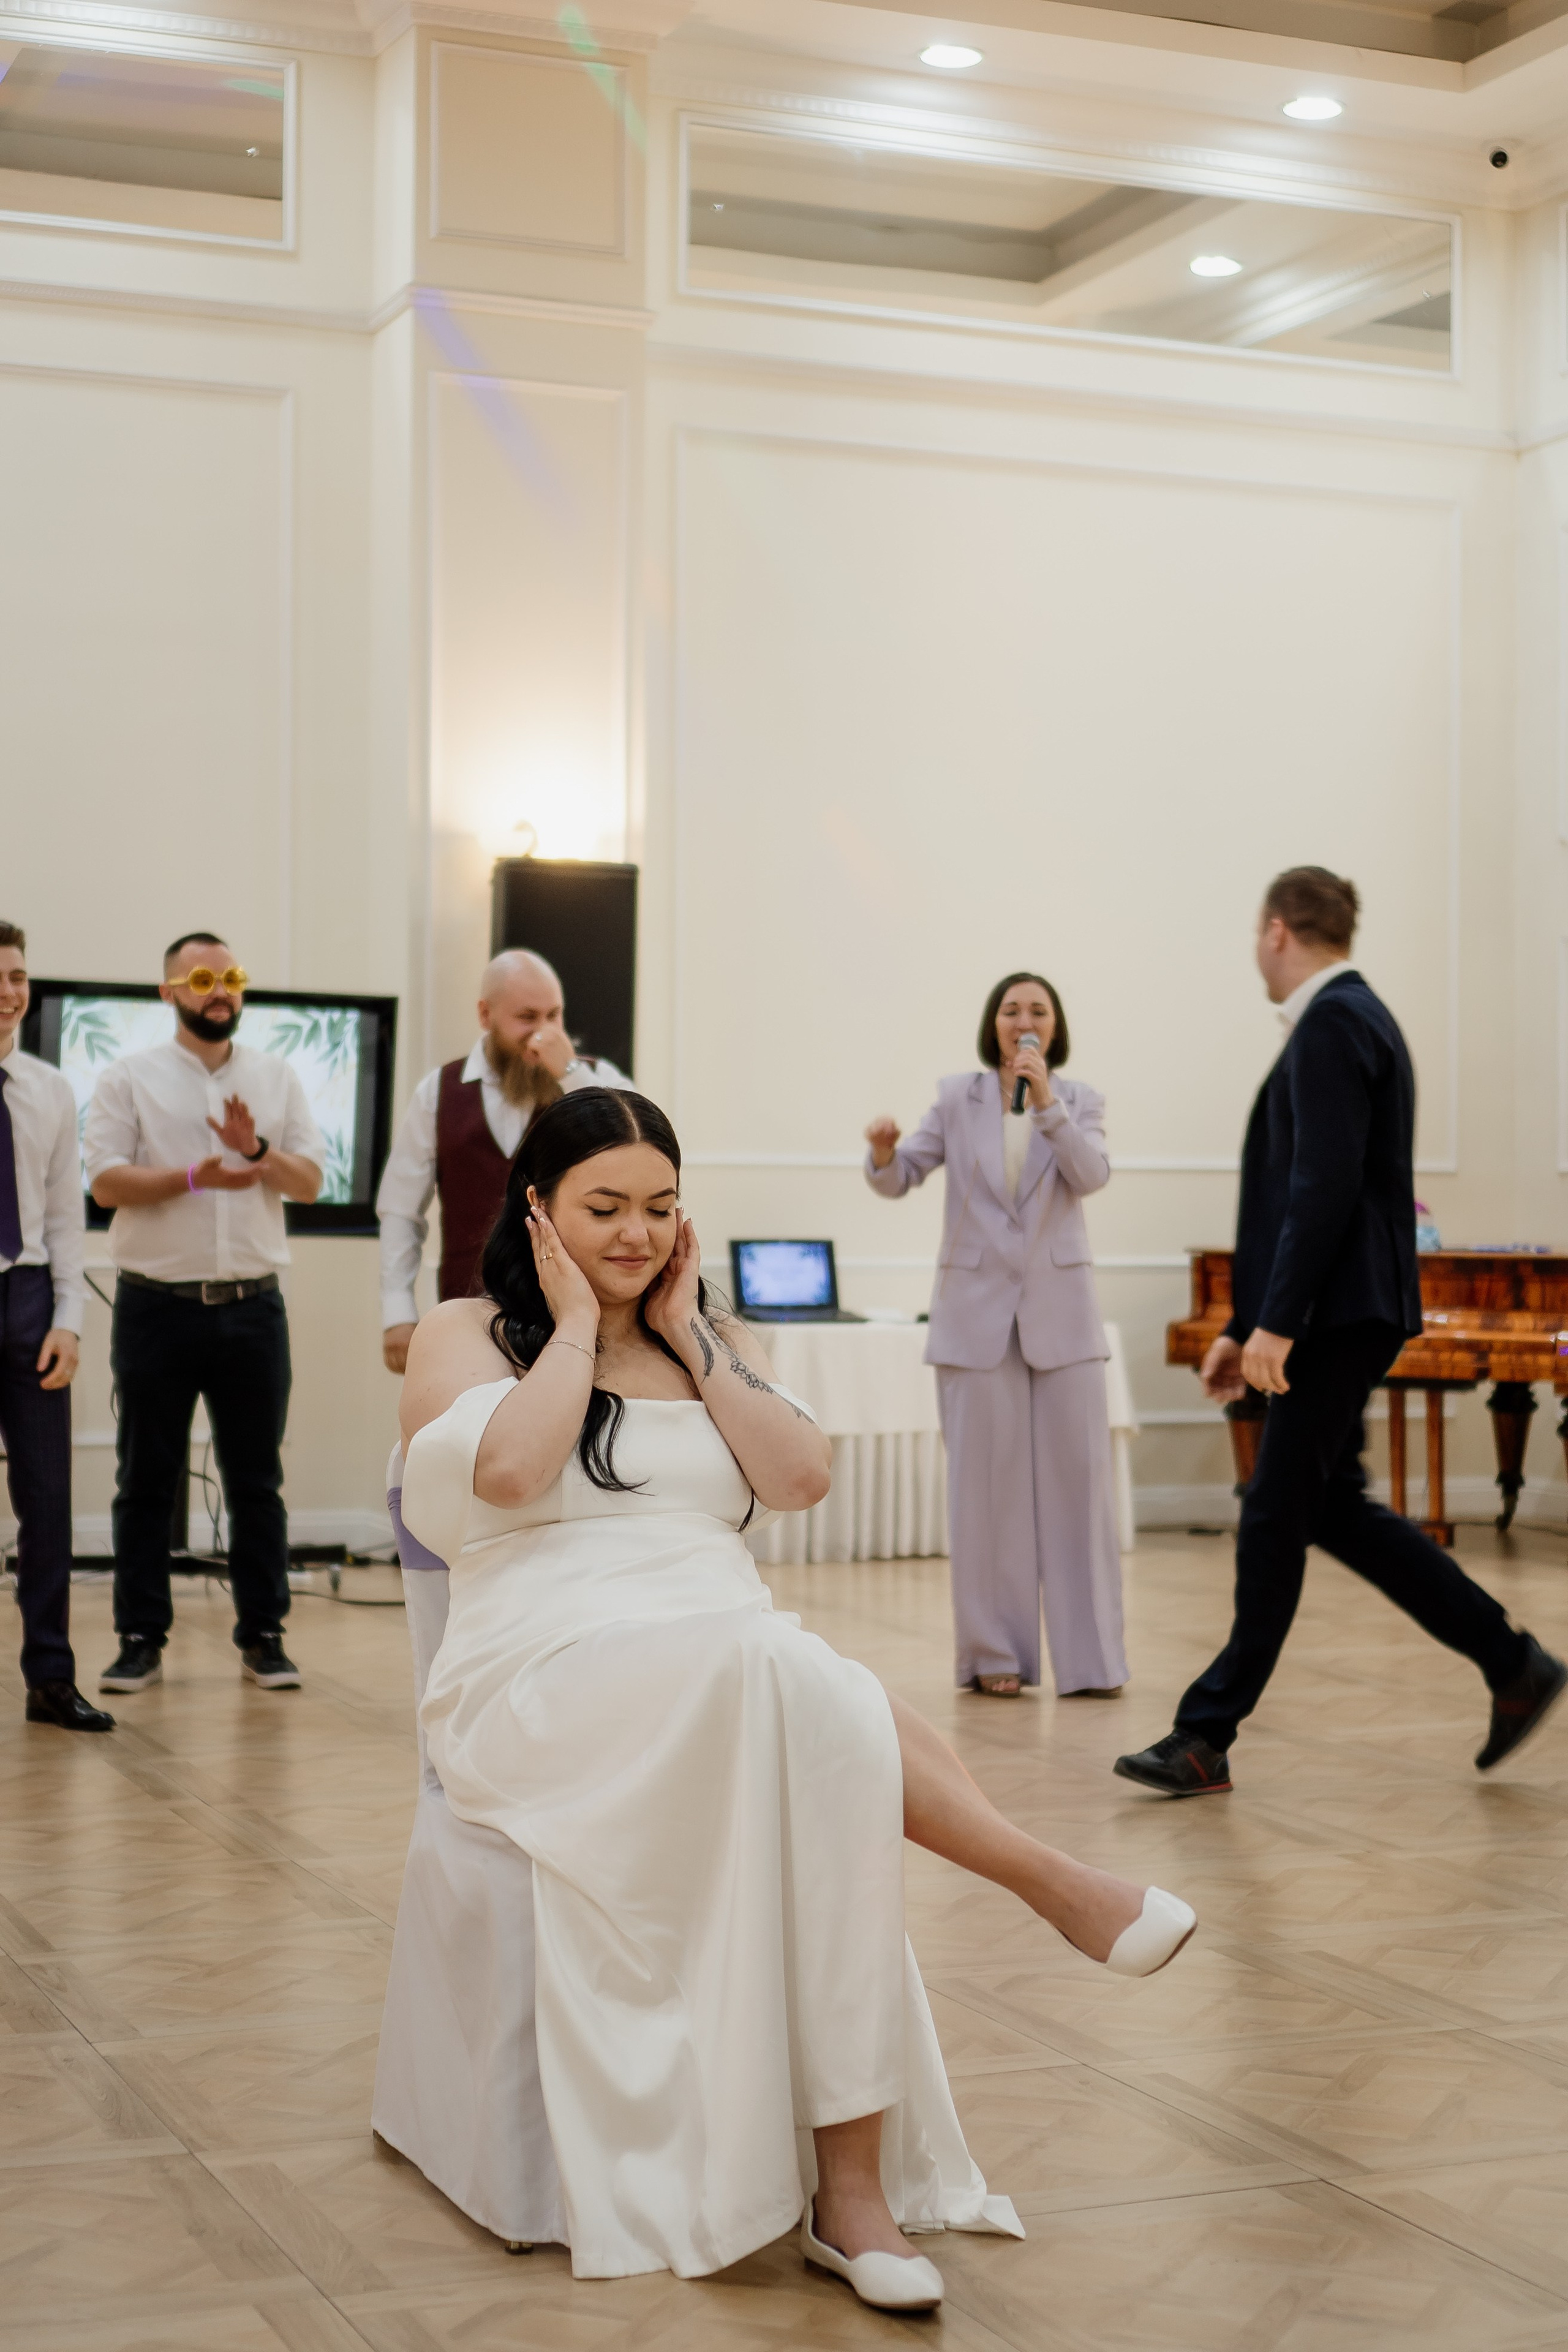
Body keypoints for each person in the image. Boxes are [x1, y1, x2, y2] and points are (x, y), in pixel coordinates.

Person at [396, 1087, 1196, 2305]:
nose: (636, 1234)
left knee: (794, 1689)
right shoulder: (465, 1329)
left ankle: (852, 2194)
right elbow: (504, 1475)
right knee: (799, 1678)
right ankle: (1045, 1883)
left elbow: (800, 1475)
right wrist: (569, 1325)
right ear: (538, 1211)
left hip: (722, 1656)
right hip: (540, 1674)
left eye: (662, 1208)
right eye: (603, 1208)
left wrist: (693, 1335)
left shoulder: (705, 1336)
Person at [1115, 868, 1566, 1798]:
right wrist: (1247, 1325)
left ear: (1279, 930)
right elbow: (1305, 1191)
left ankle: (1206, 1733)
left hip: (1335, 1312)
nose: (1256, 951)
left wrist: (1277, 1322)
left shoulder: (1332, 1023)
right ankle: (1511, 1662)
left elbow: (1321, 1187)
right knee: (1330, 1509)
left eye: (1257, 934)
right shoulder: (1356, 1019)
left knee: (1276, 1511)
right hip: (1340, 1308)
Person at [863, 973, 1127, 1700]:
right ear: (994, 1024)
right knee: (983, 1495)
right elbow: (900, 1178)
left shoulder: (1079, 1102)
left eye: (1037, 1010)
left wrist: (1046, 1105)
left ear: (1054, 1028)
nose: (1024, 1020)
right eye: (1012, 1009)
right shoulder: (956, 1097)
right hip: (974, 1319)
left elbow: (1091, 1173)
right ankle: (992, 1657)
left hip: (1062, 1317)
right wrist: (884, 1155)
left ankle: (1093, 1661)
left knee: (1080, 1491)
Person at [84, 933, 326, 1696]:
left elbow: (310, 1182)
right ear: (169, 993)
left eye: (229, 976)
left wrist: (254, 1149)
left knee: (256, 1480)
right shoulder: (129, 1078)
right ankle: (139, 1638)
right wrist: (196, 1174)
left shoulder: (276, 1077)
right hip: (156, 1307)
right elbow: (106, 1185)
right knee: (146, 1479)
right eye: (200, 978)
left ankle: (263, 1636)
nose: (218, 990)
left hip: (254, 1309)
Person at [377, 949, 630, 1375]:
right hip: (467, 1314)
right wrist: (397, 1309)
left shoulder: (593, 1078)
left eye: (554, 1016)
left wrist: (569, 1073)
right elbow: (401, 1209)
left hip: (577, 1319)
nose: (543, 1034)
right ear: (485, 1014)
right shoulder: (438, 1092)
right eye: (528, 1017)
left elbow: (631, 1153)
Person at [0, 924, 113, 1733]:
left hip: (30, 1301)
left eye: (18, 975)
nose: (10, 991)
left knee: (47, 1502)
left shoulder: (48, 1089)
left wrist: (69, 1321)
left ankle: (50, 1677)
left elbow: (68, 1222)